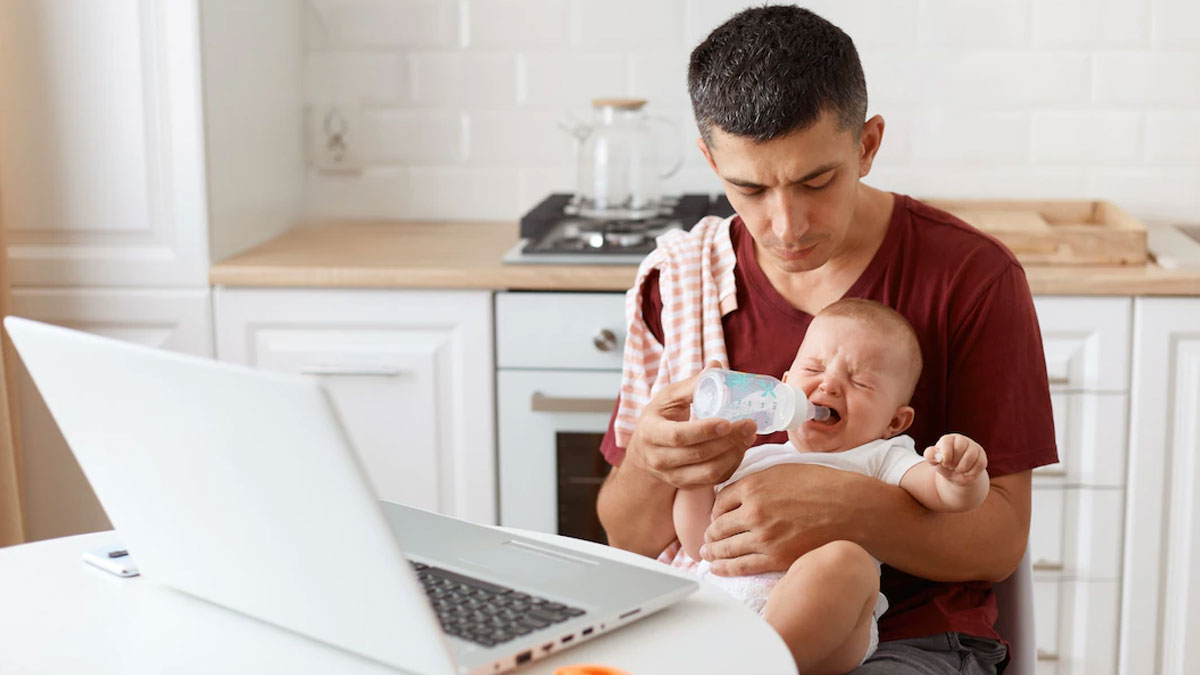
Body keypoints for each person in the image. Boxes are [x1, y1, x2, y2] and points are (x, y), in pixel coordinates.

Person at [595, 5, 1058, 674]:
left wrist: (850, 509)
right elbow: (627, 535)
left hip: (908, 637)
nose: (786, 225)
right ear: (709, 160)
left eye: (816, 181)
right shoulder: (679, 280)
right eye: (748, 188)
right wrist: (652, 458)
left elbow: (999, 542)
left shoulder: (971, 278)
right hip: (711, 619)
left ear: (867, 145)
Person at [674, 299, 990, 674]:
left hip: (830, 633)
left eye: (859, 381)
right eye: (814, 368)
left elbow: (944, 495)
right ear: (784, 386)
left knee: (848, 562)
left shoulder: (881, 455)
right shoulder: (752, 459)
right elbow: (700, 544)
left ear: (895, 422)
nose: (829, 384)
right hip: (727, 617)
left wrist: (961, 475)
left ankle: (764, 665)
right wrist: (695, 476)